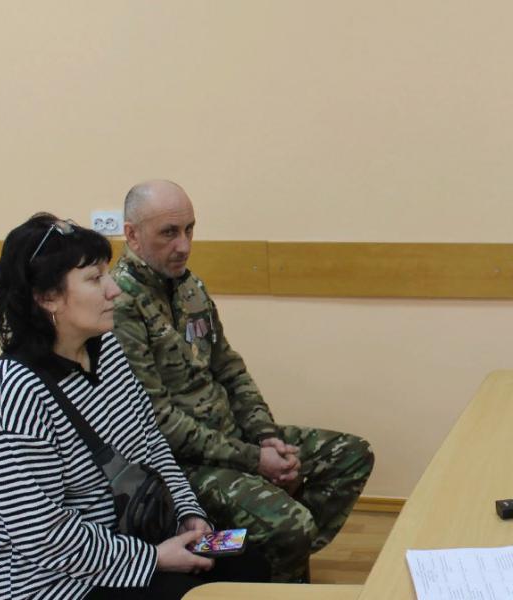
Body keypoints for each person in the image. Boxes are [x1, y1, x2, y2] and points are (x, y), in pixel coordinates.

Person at [0, 214, 269, 600]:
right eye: (95, 279)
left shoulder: (107, 349)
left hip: (132, 538)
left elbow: (152, 442)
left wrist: (188, 514)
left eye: (107, 274)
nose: (114, 290)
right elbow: (41, 535)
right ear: (46, 297)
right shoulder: (14, 393)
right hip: (55, 582)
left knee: (251, 564)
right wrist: (153, 559)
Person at [111, 180, 375, 582]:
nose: (184, 245)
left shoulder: (189, 287)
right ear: (132, 234)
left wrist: (266, 437)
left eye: (190, 229)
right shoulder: (120, 304)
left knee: (349, 455)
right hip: (181, 465)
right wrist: (255, 460)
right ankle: (259, 562)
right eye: (169, 233)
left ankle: (263, 563)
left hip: (233, 440)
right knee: (291, 525)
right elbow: (158, 421)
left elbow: (230, 369)